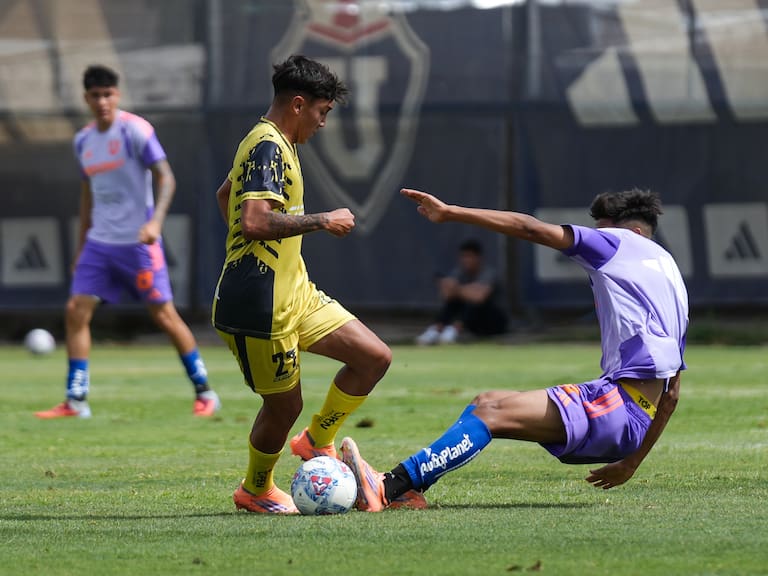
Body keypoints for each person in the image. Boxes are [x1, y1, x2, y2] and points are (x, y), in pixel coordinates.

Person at [340, 187, 689, 511]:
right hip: (629, 413)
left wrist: (452, 212)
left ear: (635, 234)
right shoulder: (672, 282)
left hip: (617, 407)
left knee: (489, 414)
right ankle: (407, 492)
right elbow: (671, 395)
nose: (597, 237)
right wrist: (632, 462)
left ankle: (387, 486)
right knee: (485, 402)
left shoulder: (619, 245)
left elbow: (531, 228)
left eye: (603, 231)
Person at [211, 55, 424, 514]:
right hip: (259, 306)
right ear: (299, 105)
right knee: (283, 407)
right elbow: (253, 221)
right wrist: (322, 220)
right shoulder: (266, 145)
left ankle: (316, 442)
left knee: (373, 357)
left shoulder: (274, 144)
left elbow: (225, 196)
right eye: (322, 113)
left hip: (296, 294)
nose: (323, 123)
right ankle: (256, 489)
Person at [35, 65, 220, 419]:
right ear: (86, 98)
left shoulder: (136, 131)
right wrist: (80, 247)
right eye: (95, 95)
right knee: (76, 311)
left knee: (164, 316)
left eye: (108, 94)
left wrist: (155, 222)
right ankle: (76, 400)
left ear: (117, 95)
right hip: (99, 244)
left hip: (139, 244)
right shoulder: (83, 141)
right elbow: (87, 196)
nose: (103, 101)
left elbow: (166, 179)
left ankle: (206, 392)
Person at [416, 238, 507, 345]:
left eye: (469, 256)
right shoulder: (459, 273)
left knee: (473, 303)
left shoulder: (489, 273)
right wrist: (450, 287)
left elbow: (479, 297)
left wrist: (457, 289)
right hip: (474, 323)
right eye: (463, 256)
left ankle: (454, 331)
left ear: (478, 258)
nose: (466, 260)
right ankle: (436, 330)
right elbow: (445, 296)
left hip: (493, 322)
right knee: (453, 302)